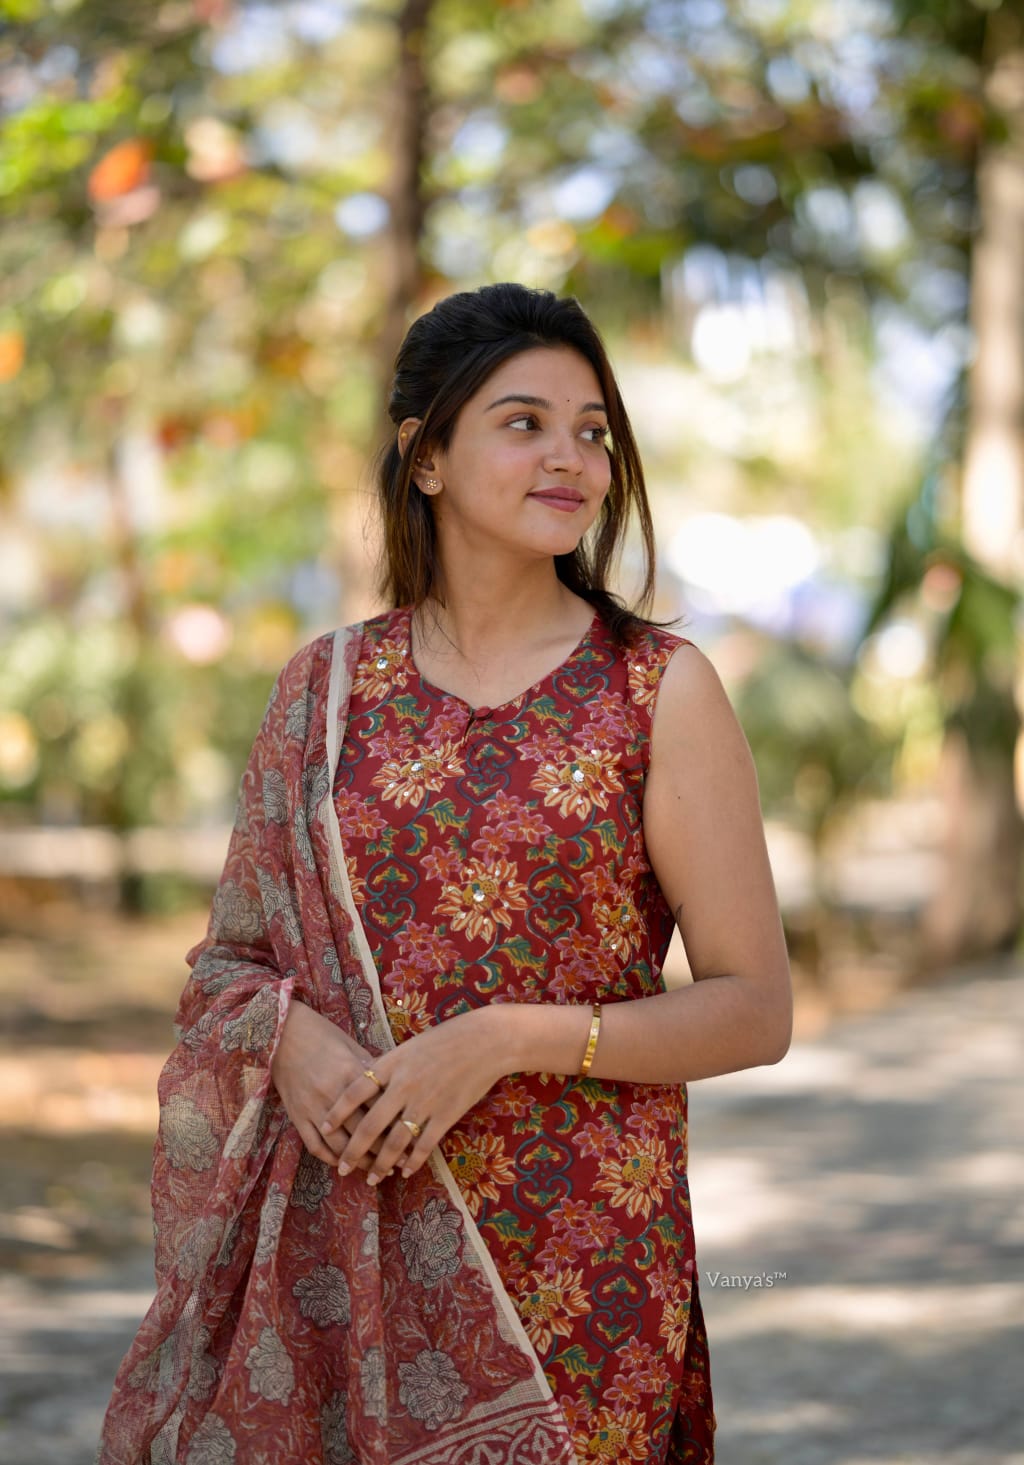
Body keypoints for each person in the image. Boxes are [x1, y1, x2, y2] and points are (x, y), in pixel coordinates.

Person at [99, 282, 791, 1465]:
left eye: (592, 431)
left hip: (577, 1265)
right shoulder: (323, 692)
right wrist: (289, 1037)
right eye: (525, 423)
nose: (571, 457)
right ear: (425, 458)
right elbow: (229, 964)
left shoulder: (655, 691)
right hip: (345, 1249)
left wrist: (503, 1038)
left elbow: (753, 1009)